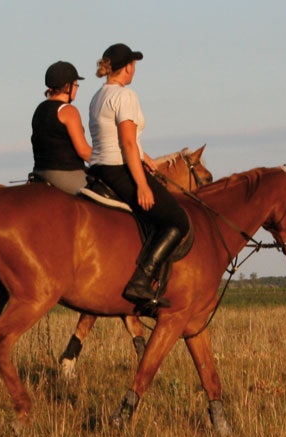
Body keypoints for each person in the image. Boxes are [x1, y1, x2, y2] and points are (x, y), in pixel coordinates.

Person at [86, 43, 190, 311]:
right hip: (119, 167)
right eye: (134, 64)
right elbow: (128, 143)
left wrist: (145, 157)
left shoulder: (98, 96)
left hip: (98, 167)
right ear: (128, 67)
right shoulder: (125, 95)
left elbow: (116, 138)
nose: (135, 70)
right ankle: (141, 280)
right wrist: (142, 184)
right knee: (177, 220)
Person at [31, 61, 91, 195]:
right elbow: (84, 151)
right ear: (67, 86)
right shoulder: (69, 111)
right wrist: (105, 162)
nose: (76, 89)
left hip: (39, 172)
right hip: (65, 174)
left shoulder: (39, 109)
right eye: (76, 85)